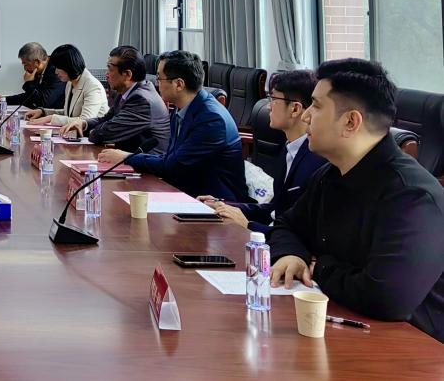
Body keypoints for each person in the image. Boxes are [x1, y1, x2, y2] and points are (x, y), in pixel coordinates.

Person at [269, 59, 444, 342]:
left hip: (411, 346)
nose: (306, 116)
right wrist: (292, 255)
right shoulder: (329, 174)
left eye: (317, 106)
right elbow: (287, 225)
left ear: (351, 122)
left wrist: (319, 267)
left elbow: (386, 298)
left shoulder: (412, 198)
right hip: (345, 326)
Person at [99, 50, 247, 201]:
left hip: (215, 203)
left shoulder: (211, 119)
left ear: (179, 84)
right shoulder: (182, 108)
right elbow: (171, 158)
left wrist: (127, 157)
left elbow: (173, 165)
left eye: (159, 78)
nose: (156, 83)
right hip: (185, 192)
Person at [199, 69, 326, 234]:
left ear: (295, 109)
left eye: (273, 99)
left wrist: (248, 226)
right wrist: (223, 205)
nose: (267, 107)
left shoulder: (316, 160)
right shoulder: (289, 149)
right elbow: (275, 209)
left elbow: (299, 232)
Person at [62, 45, 170, 154]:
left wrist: (93, 132)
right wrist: (83, 124)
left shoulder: (142, 100)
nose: (106, 74)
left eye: (110, 69)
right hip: (126, 158)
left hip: (146, 163)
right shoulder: (125, 92)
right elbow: (106, 119)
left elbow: (105, 133)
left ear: (127, 74)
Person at [24, 44, 108, 126]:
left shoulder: (93, 87)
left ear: (68, 66)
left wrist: (51, 118)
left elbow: (84, 121)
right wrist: (42, 112)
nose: (56, 72)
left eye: (58, 68)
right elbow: (68, 113)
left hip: (93, 134)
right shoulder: (70, 82)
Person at [0, 42, 65, 111]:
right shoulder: (39, 70)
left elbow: (43, 102)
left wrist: (28, 83)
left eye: (25, 64)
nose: (25, 68)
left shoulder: (57, 71)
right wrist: (5, 99)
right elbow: (30, 97)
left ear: (37, 62)